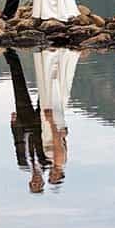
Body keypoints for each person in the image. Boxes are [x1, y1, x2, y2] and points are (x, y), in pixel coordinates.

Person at [4, 51, 48, 193]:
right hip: (40, 125)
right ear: (42, 182)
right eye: (39, 184)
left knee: (18, 86)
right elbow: (54, 142)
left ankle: (9, 53)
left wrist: (13, 125)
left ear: (29, 182)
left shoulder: (22, 163)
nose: (36, 182)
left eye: (34, 185)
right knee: (45, 88)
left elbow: (17, 143)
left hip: (23, 124)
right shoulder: (47, 162)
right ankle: (45, 55)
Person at [36, 47, 78, 187]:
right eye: (54, 176)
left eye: (50, 177)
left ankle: (52, 58)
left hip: (53, 126)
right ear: (60, 174)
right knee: (51, 94)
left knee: (53, 94)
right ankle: (51, 58)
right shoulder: (59, 161)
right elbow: (57, 140)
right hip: (53, 125)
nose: (51, 174)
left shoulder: (57, 161)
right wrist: (51, 121)